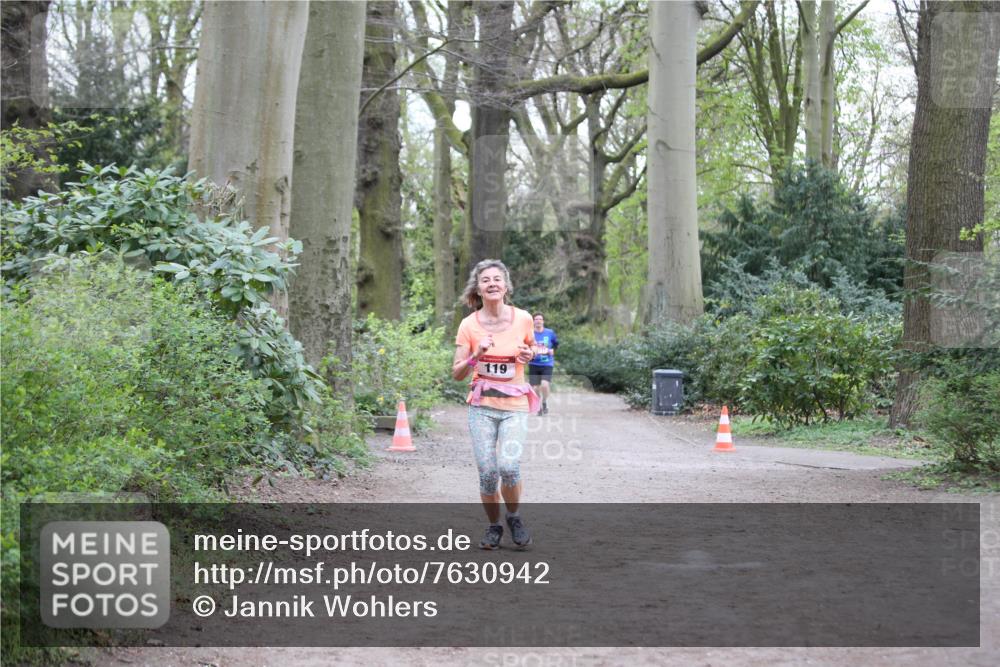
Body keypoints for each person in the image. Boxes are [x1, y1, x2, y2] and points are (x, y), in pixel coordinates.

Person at [452, 259, 540, 550]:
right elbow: (457, 373)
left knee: (509, 467)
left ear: (506, 286)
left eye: (497, 279)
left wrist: (530, 355)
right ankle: (494, 526)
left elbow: (530, 351)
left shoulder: (524, 318)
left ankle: (514, 517)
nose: (492, 283)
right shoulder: (468, 325)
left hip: (514, 406)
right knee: (488, 473)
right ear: (478, 288)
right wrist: (476, 355)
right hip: (481, 408)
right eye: (485, 279)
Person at [527, 313, 558, 415]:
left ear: (543, 321)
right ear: (533, 321)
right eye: (536, 319)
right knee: (535, 388)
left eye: (540, 319)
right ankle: (539, 406)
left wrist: (552, 350)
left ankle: (544, 402)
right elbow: (525, 345)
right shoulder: (530, 333)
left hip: (547, 363)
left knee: (544, 385)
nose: (538, 321)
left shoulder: (550, 333)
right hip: (534, 363)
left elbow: (555, 344)